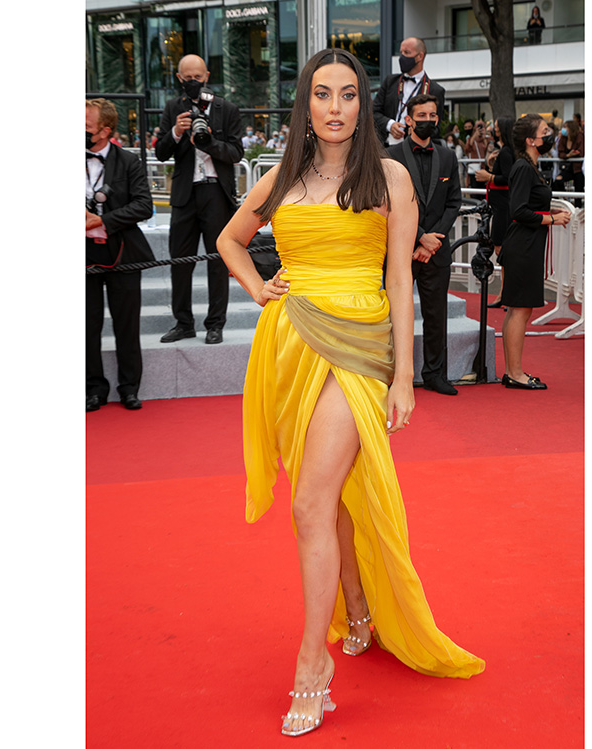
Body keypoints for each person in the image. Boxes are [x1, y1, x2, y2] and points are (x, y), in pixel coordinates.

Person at [216, 48, 485, 738]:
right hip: (290, 346)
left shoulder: (389, 176)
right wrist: (259, 288)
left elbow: (399, 278)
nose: (334, 107)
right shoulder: (282, 175)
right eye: (322, 93)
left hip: (360, 345)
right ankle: (357, 605)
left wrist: (404, 375)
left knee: (309, 502)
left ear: (364, 104)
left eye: (347, 94)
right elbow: (229, 239)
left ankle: (313, 663)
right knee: (327, 493)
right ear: (305, 104)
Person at [154, 54, 243, 345]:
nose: (193, 82)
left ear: (207, 76)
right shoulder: (173, 108)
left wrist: (209, 142)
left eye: (198, 77)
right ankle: (183, 323)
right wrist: (176, 132)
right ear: (179, 78)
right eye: (188, 78)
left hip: (216, 193)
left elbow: (236, 153)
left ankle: (215, 325)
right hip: (184, 194)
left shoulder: (226, 109)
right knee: (180, 262)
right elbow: (161, 153)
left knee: (218, 261)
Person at [387, 93, 463, 396]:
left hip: (436, 252)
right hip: (400, 250)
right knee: (393, 315)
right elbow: (387, 203)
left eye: (432, 116)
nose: (428, 121)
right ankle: (391, 375)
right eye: (422, 116)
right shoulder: (390, 156)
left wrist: (432, 241)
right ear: (408, 120)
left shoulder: (447, 157)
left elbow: (454, 203)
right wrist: (419, 236)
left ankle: (435, 374)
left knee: (436, 316)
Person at [85, 98, 156, 412]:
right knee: (86, 326)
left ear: (105, 130)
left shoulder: (128, 161)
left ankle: (129, 388)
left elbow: (143, 205)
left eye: (86, 126)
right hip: (82, 255)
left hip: (123, 253)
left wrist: (102, 221)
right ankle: (93, 389)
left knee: (127, 325)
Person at [499, 114, 571, 390]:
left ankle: (512, 372)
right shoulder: (523, 167)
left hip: (526, 245)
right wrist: (552, 219)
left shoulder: (528, 167)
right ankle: (515, 373)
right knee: (520, 310)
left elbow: (528, 205)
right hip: (523, 247)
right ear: (531, 140)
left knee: (517, 309)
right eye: (544, 131)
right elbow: (518, 211)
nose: (550, 134)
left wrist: (550, 211)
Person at [372, 37, 446, 147]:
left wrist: (417, 131)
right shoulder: (390, 82)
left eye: (406, 52)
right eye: (401, 52)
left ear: (420, 56)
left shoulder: (435, 90)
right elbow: (373, 112)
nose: (402, 57)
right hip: (384, 147)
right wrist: (390, 125)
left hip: (414, 149)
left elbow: (435, 128)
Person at [475, 118, 515, 308]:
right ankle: (504, 293)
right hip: (501, 207)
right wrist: (491, 166)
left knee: (502, 251)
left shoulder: (507, 151)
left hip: (503, 209)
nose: (493, 129)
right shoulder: (506, 150)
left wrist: (488, 176)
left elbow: (507, 178)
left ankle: (506, 294)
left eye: (497, 127)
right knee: (503, 253)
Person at [560, 118, 585, 206]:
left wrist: (572, 154)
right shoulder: (563, 139)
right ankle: (566, 201)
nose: (563, 129)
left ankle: (578, 207)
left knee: (579, 188)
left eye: (565, 127)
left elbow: (581, 152)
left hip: (578, 168)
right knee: (558, 180)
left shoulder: (580, 137)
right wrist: (568, 155)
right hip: (567, 167)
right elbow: (560, 153)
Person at [464, 119, 490, 188]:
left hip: (484, 168)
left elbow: (488, 150)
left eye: (482, 126)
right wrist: (475, 135)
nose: (480, 129)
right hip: (475, 169)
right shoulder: (471, 139)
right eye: (478, 126)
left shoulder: (487, 138)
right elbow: (467, 149)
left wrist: (484, 137)